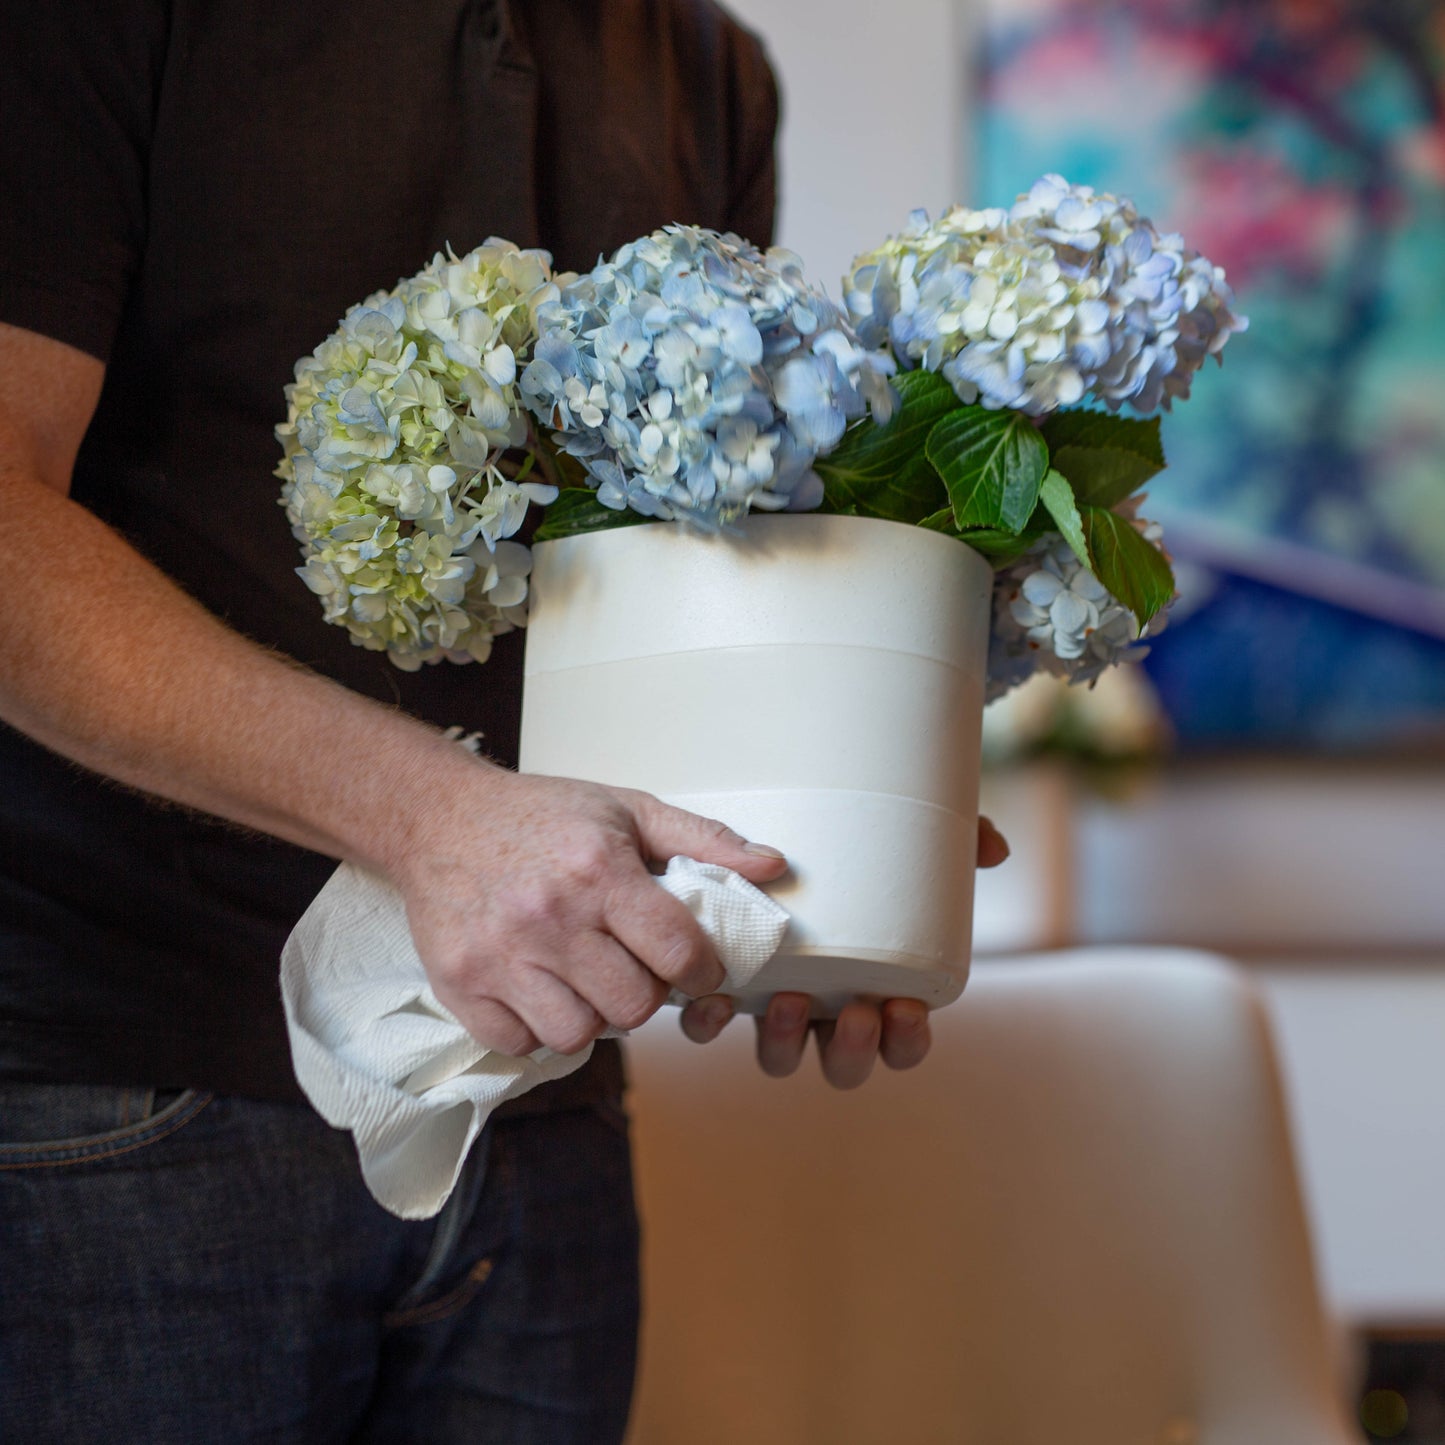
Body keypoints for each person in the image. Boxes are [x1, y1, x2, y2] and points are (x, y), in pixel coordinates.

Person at [0, 1, 1008, 1439]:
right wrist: (430, 818)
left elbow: (680, 554)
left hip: (537, 1096)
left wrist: (815, 816)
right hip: (115, 1102)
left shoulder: (710, 71)